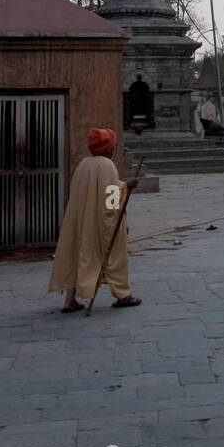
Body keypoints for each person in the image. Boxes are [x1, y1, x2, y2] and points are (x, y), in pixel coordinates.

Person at [48, 128, 141, 312]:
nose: (114, 150)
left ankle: (70, 300)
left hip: (81, 219)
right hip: (100, 222)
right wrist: (127, 185)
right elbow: (111, 200)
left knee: (78, 254)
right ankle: (122, 295)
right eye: (112, 146)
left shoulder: (84, 164)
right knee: (114, 256)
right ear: (107, 149)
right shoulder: (106, 165)